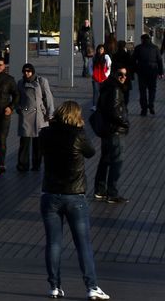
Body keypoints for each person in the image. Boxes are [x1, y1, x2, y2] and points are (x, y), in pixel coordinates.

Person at [38, 100, 109, 301]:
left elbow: (43, 147)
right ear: (76, 116)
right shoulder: (78, 135)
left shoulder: (46, 133)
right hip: (74, 195)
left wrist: (52, 125)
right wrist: (82, 129)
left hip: (50, 194)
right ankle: (92, 286)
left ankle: (54, 286)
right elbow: (91, 152)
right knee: (82, 244)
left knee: (53, 243)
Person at [93, 68, 129, 204]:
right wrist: (125, 123)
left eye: (125, 75)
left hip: (106, 130)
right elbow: (114, 111)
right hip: (115, 131)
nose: (123, 77)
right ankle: (112, 193)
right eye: (120, 74)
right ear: (114, 74)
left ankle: (100, 190)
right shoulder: (115, 89)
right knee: (116, 162)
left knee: (105, 160)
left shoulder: (107, 86)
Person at [16, 62, 54, 172]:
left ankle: (36, 165)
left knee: (38, 142)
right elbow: (17, 98)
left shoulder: (42, 81)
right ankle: (23, 165)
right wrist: (18, 109)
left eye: (29, 71)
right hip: (26, 115)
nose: (26, 73)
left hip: (40, 115)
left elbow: (48, 97)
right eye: (24, 71)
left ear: (33, 71)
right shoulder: (20, 83)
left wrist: (50, 114)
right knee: (24, 142)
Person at [132, 33, 162, 116]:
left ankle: (144, 109)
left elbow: (133, 60)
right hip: (153, 71)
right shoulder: (155, 48)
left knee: (142, 90)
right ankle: (151, 105)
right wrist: (161, 72)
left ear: (142, 40)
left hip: (142, 71)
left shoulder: (138, 48)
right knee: (152, 89)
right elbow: (159, 60)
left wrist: (135, 70)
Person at [90, 44, 111, 111]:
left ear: (104, 50)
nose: (100, 50)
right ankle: (95, 105)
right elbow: (90, 66)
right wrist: (92, 74)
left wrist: (106, 75)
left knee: (103, 92)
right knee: (96, 92)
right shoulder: (94, 57)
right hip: (95, 77)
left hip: (103, 77)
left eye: (102, 49)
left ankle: (103, 105)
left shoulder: (106, 57)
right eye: (99, 49)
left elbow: (109, 67)